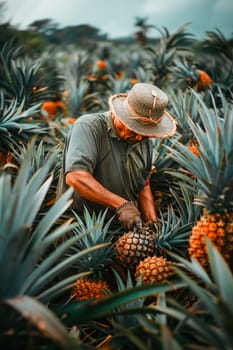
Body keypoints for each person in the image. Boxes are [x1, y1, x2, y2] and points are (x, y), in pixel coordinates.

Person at [58, 83, 176, 231]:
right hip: (81, 231)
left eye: (145, 133)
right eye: (134, 129)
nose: (139, 137)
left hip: (124, 233)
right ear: (119, 114)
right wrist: (121, 205)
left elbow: (143, 186)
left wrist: (153, 224)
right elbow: (76, 176)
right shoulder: (89, 127)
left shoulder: (145, 144)